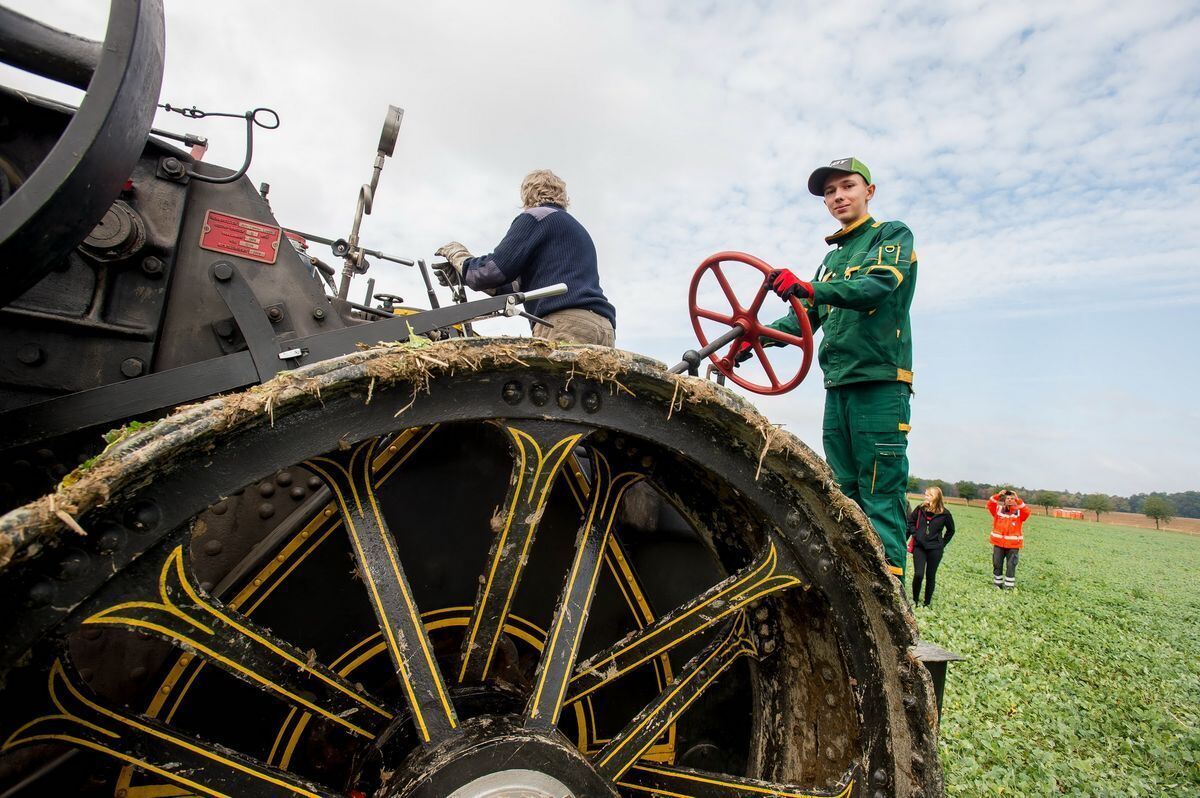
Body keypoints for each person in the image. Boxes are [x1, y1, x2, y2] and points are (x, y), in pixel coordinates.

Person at [740, 157, 917, 580]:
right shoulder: (831, 261)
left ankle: (890, 603)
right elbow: (801, 322)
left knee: (879, 491)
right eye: (829, 193)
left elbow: (876, 285)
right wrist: (753, 335)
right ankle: (856, 585)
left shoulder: (890, 235)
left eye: (847, 186)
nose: (838, 196)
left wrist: (809, 286)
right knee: (844, 493)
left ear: (868, 191)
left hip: (878, 384)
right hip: (837, 387)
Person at [435, 169, 616, 346]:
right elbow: (514, 287)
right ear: (562, 196)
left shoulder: (537, 217)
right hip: (603, 328)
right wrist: (462, 277)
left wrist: (461, 259)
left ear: (527, 194)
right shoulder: (574, 229)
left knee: (552, 377)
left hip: (565, 324)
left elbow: (492, 271)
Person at [907, 486, 955, 607]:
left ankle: (927, 602)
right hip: (919, 547)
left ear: (935, 497)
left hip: (935, 549)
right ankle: (915, 600)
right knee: (918, 574)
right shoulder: (920, 509)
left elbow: (951, 530)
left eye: (928, 495)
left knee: (930, 576)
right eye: (925, 494)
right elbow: (910, 521)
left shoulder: (945, 513)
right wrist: (916, 534)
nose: (925, 497)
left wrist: (942, 544)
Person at [988, 489, 1030, 589]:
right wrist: (998, 495)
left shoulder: (1019, 513)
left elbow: (1027, 512)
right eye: (1007, 498)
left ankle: (1008, 586)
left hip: (1013, 545)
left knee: (1011, 565)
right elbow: (990, 503)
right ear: (1004, 500)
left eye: (1012, 498)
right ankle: (997, 584)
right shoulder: (998, 510)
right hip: (998, 543)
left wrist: (1018, 499)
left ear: (1015, 500)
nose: (1010, 500)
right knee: (997, 564)